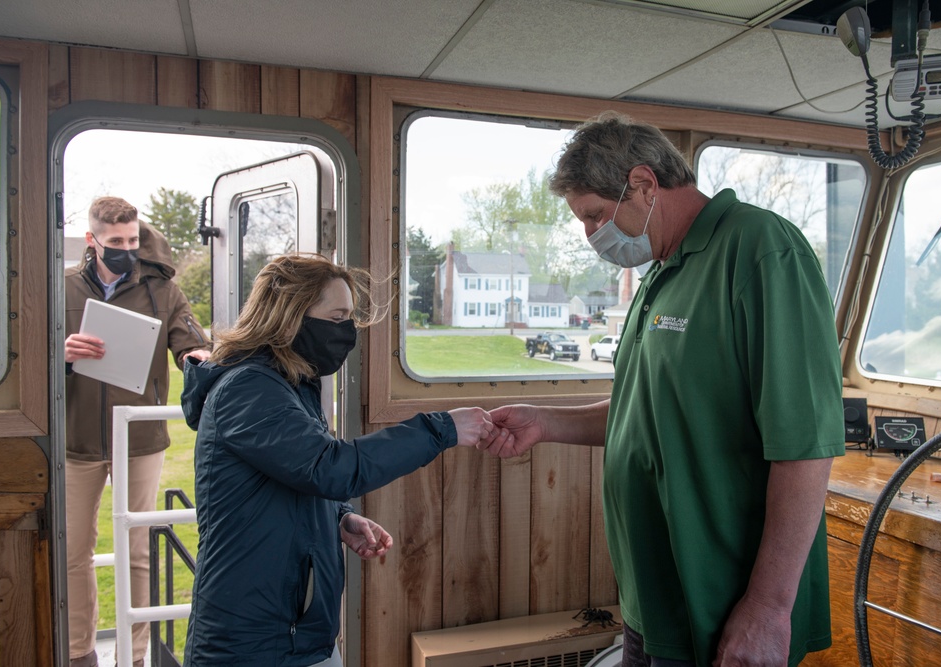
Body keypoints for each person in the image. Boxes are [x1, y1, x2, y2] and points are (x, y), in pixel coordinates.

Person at [480, 113, 845, 667]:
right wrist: (546, 422)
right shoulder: (661, 268)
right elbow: (646, 409)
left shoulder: (761, 249)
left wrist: (769, 608)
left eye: (596, 216)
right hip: (653, 595)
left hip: (720, 601)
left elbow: (806, 441)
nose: (592, 235)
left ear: (644, 185)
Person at [180, 253, 494, 667]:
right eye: (337, 316)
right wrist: (442, 429)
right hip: (253, 642)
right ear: (290, 316)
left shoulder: (289, 384)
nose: (347, 331)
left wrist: (338, 518)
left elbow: (292, 479)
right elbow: (329, 468)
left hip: (295, 631)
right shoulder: (250, 389)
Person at [64, 196, 212, 667]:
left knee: (138, 549)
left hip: (140, 440)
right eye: (114, 242)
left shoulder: (163, 291)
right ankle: (79, 653)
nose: (125, 249)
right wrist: (63, 354)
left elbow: (191, 341)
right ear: (92, 241)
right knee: (73, 551)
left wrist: (196, 358)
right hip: (75, 439)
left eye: (132, 240)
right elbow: (27, 359)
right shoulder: (61, 288)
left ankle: (135, 656)